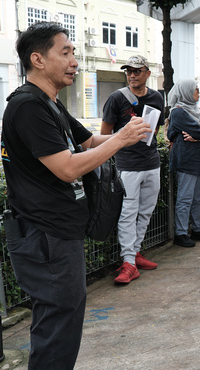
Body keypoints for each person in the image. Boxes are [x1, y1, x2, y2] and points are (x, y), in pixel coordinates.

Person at [1, 21, 150, 369]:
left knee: (62, 323)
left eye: (73, 53)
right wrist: (121, 141)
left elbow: (88, 142)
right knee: (57, 328)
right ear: (37, 59)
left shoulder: (50, 103)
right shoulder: (27, 107)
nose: (74, 60)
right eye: (65, 52)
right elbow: (67, 168)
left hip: (58, 233)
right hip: (44, 235)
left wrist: (128, 132)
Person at [102, 55, 164, 284]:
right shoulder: (116, 98)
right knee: (128, 213)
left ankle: (135, 253)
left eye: (137, 71)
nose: (132, 74)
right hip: (126, 165)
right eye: (129, 70)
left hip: (152, 163)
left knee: (146, 211)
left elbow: (156, 129)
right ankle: (128, 262)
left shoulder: (157, 97)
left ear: (148, 73)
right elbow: (104, 135)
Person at [166, 80, 200, 248]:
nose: (198, 92)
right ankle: (181, 233)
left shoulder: (199, 111)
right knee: (185, 198)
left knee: (199, 198)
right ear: (186, 92)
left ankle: (198, 229)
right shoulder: (178, 112)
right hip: (186, 159)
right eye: (195, 89)